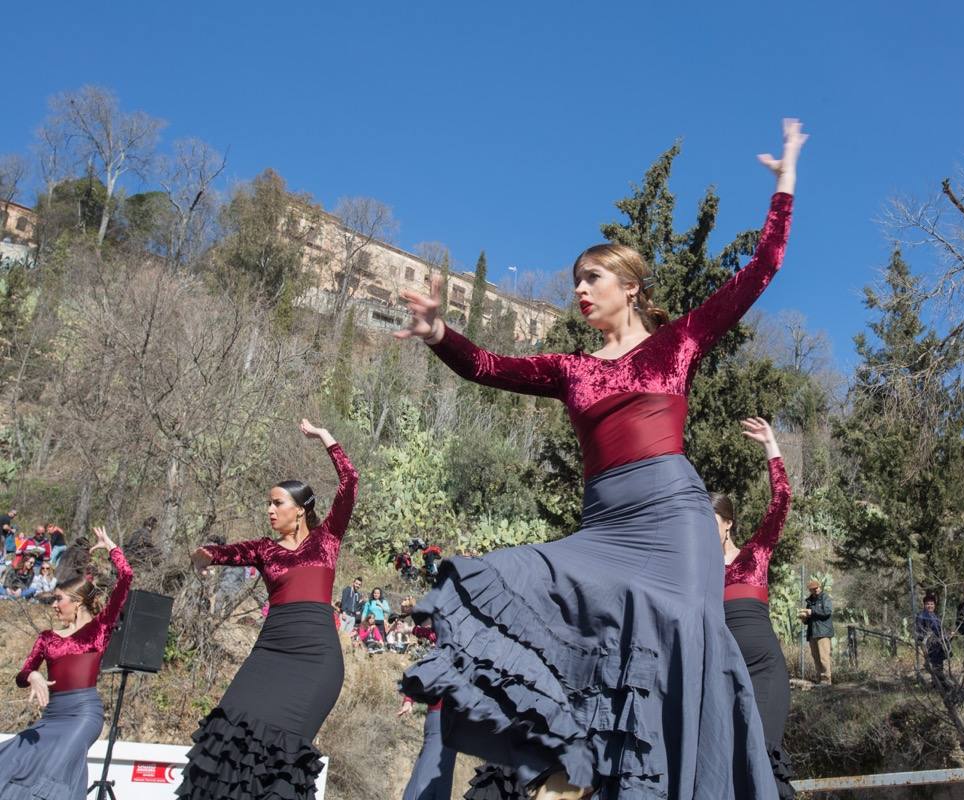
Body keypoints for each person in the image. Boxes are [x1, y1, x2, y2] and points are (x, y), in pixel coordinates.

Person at [397, 119, 805, 799]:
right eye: (575, 282)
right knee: (494, 578)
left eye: (592, 278)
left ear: (631, 286)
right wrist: (440, 332)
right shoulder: (570, 369)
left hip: (673, 520)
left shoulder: (678, 343)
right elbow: (488, 366)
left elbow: (763, 266)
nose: (580, 290)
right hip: (604, 526)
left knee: (670, 654)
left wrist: (785, 177)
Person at [177, 419, 358, 800]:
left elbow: (350, 482)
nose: (270, 510)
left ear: (301, 509)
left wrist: (327, 439)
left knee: (281, 756)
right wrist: (207, 554)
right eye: (268, 503)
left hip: (315, 659)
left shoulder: (327, 539)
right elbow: (231, 553)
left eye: (277, 503)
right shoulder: (265, 549)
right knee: (226, 734)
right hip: (270, 653)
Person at [0, 527, 132, 798]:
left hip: (83, 715)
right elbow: (23, 673)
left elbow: (126, 577)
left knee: (55, 769)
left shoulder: (100, 628)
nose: (53, 605)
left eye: (58, 599)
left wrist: (112, 548)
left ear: (78, 601)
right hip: (52, 716)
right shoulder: (47, 638)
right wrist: (32, 676)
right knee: (14, 759)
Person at [715, 416, 795, 799]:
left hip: (764, 672)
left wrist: (770, 446)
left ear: (727, 523)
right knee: (727, 765)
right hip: (722, 677)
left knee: (762, 757)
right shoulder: (695, 571)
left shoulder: (755, 555)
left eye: (709, 520)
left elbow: (781, 500)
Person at [800, 578, 834, 685]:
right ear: (810, 590)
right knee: (816, 657)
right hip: (812, 633)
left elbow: (827, 612)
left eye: (817, 587)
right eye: (813, 589)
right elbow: (810, 618)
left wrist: (811, 611)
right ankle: (820, 680)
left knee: (824, 657)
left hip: (823, 632)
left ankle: (826, 681)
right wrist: (804, 618)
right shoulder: (810, 601)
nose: (816, 590)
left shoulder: (825, 598)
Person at [915, 593, 948, 689]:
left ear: (935, 605)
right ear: (924, 605)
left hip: (939, 644)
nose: (930, 606)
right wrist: (925, 641)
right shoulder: (921, 616)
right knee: (933, 665)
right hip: (929, 645)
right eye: (928, 604)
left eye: (932, 604)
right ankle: (937, 684)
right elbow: (919, 632)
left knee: (939, 665)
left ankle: (938, 683)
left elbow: (940, 630)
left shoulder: (935, 616)